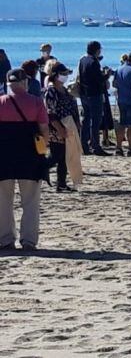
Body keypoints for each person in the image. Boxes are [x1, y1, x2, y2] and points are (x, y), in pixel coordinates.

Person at [0, 70, 49, 250]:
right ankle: (28, 240)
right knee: (30, 201)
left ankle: (5, 239)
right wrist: (44, 147)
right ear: (25, 82)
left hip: (3, 158)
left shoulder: (1, 102)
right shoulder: (36, 102)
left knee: (3, 201)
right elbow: (44, 130)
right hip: (30, 157)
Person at [44, 62, 79, 192]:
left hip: (68, 125)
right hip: (56, 128)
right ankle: (41, 169)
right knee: (56, 155)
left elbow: (72, 107)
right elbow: (50, 113)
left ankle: (61, 183)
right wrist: (60, 129)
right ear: (55, 75)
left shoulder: (63, 89)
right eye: (63, 74)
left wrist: (76, 123)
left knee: (65, 156)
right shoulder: (51, 90)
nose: (65, 76)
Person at [78, 41, 110, 156]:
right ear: (97, 50)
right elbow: (99, 79)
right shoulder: (94, 62)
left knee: (86, 119)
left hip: (84, 93)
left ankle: (83, 145)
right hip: (94, 93)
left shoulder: (82, 60)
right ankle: (95, 145)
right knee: (96, 121)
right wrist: (107, 74)